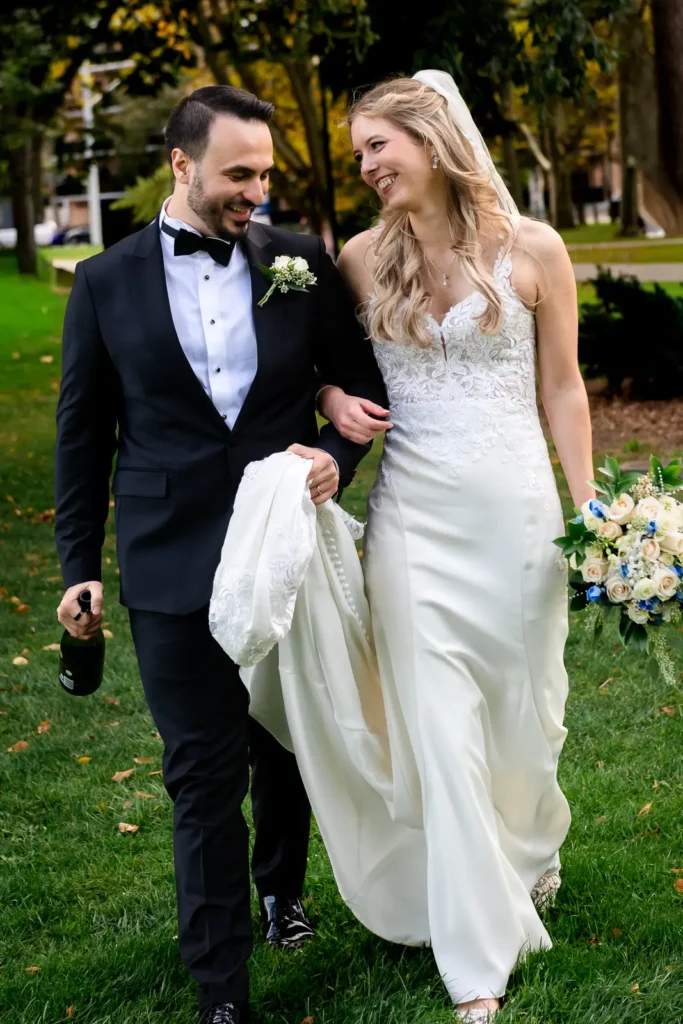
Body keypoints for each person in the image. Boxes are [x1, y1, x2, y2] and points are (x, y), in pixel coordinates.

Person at [54, 85, 386, 1024]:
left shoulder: (296, 262)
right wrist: (79, 562)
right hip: (168, 557)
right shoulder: (104, 282)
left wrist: (333, 451)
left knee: (283, 743)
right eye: (239, 175)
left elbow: (353, 381)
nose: (257, 192)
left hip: (283, 549)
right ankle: (221, 991)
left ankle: (283, 891)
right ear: (181, 165)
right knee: (202, 771)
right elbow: (82, 437)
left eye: (266, 174)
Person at [315, 71, 595, 1021]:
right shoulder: (357, 259)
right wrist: (325, 401)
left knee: (523, 715)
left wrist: (588, 507)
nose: (365, 166)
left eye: (376, 147)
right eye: (359, 152)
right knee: (434, 720)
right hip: (411, 526)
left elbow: (561, 389)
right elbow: (314, 365)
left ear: (429, 140)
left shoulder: (534, 250)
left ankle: (520, 853)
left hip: (514, 517)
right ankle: (475, 964)